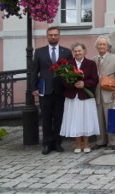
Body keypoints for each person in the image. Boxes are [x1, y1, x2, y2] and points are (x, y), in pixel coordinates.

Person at [30, 26, 74, 155]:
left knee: (59, 117)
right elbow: (34, 71)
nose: (53, 37)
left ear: (59, 36)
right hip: (45, 90)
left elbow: (70, 71)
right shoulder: (39, 52)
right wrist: (33, 87)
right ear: (47, 36)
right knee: (46, 117)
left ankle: (57, 142)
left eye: (55, 35)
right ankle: (47, 143)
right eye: (51, 35)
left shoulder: (66, 52)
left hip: (60, 90)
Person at [60, 42, 100, 153]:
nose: (77, 53)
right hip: (73, 96)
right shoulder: (68, 64)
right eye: (75, 51)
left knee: (85, 119)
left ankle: (86, 144)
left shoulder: (91, 63)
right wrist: (72, 83)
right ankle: (77, 144)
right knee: (75, 120)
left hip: (86, 96)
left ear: (84, 51)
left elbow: (95, 79)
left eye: (79, 51)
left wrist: (84, 84)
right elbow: (63, 80)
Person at [91, 35, 115, 151]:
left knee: (111, 118)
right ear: (96, 46)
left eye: (104, 44)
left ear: (108, 46)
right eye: (99, 44)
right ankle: (100, 141)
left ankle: (114, 142)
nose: (101, 46)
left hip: (110, 93)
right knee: (99, 119)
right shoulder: (93, 60)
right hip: (97, 93)